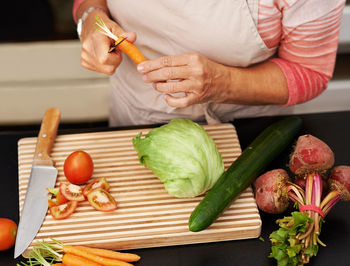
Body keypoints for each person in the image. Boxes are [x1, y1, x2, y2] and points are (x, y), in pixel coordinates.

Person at [73, 0, 346, 126]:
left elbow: (309, 71)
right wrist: (90, 18)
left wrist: (224, 83)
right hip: (134, 116)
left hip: (248, 134)